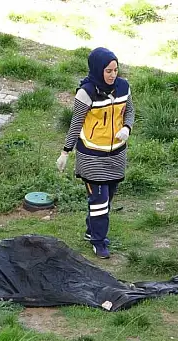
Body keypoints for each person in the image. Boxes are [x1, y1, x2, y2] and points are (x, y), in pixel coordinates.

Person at [56, 47, 135, 259]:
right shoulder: (86, 93)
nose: (112, 75)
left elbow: (130, 110)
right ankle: (99, 242)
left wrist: (127, 128)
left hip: (117, 155)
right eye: (108, 71)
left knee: (107, 199)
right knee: (99, 200)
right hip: (91, 156)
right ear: (97, 70)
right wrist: (66, 151)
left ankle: (92, 230)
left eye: (115, 70)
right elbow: (76, 123)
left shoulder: (123, 87)